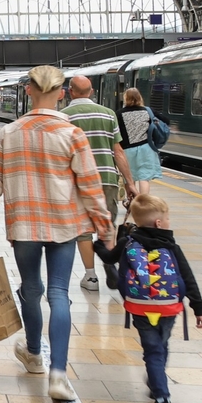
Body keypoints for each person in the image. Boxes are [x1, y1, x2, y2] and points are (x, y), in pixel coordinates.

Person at [0, 65, 112, 402]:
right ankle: (59, 375)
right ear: (61, 93)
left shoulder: (6, 135)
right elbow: (91, 185)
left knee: (31, 289)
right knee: (58, 293)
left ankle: (34, 353)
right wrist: (104, 225)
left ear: (28, 92)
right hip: (64, 224)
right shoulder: (73, 134)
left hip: (24, 225)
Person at [95, 194, 202, 403]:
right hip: (168, 307)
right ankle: (159, 387)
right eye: (167, 219)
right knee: (161, 346)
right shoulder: (171, 246)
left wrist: (98, 244)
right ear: (158, 223)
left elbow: (108, 258)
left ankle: (162, 397)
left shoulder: (128, 242)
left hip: (140, 306)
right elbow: (188, 277)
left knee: (152, 350)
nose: (168, 223)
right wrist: (199, 308)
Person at [62, 75, 136, 291]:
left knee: (84, 229)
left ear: (70, 91)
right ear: (92, 91)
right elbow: (118, 151)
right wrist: (130, 182)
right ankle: (109, 263)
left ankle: (91, 277)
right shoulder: (109, 114)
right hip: (107, 178)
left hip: (78, 179)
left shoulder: (64, 116)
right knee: (107, 224)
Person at [118, 88, 161, 197]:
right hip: (146, 148)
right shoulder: (147, 111)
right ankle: (144, 201)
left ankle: (132, 202)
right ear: (139, 98)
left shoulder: (119, 113)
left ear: (125, 98)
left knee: (129, 178)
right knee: (144, 177)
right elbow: (166, 120)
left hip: (127, 150)